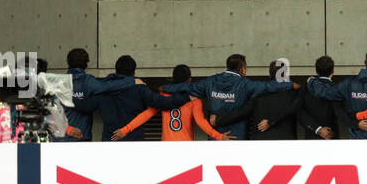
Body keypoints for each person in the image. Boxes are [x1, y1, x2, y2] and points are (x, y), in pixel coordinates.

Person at [162, 54, 295, 141]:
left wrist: (165, 88)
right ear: (242, 69)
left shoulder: (210, 82)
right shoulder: (246, 84)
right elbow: (268, 87)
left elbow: (187, 87)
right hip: (237, 136)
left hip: (215, 136)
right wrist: (290, 85)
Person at [112, 64, 236, 142]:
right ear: (190, 80)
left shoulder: (163, 96)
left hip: (167, 146)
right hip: (185, 146)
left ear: (173, 78)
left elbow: (146, 115)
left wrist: (125, 130)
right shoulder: (193, 99)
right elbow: (201, 122)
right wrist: (219, 136)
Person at [83, 55, 188, 142]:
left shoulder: (104, 87)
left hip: (109, 141)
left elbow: (86, 106)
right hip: (134, 142)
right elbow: (162, 102)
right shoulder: (139, 87)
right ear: (134, 72)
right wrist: (186, 97)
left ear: (116, 70)